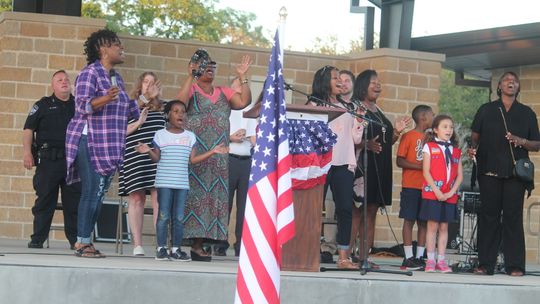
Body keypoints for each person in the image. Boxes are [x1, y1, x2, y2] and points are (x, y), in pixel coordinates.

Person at [65, 29, 157, 258]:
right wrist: (106, 97)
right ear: (103, 49)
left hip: (109, 144)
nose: (121, 47)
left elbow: (129, 109)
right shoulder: (89, 73)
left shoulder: (115, 76)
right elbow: (81, 107)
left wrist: (146, 98)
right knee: (91, 193)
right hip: (90, 139)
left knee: (98, 195)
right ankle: (82, 242)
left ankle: (85, 241)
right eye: (116, 44)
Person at [176, 49, 252, 261]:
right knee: (193, 198)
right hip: (196, 153)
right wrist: (190, 76)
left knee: (211, 199)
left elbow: (244, 101)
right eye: (204, 65)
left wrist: (243, 76)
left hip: (218, 158)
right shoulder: (191, 88)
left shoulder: (224, 91)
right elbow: (180, 105)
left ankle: (201, 244)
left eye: (211, 65)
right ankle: (185, 243)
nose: (209, 68)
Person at [135, 100, 228, 261]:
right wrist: (148, 151)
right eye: (176, 111)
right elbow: (156, 158)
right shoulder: (160, 135)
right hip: (164, 183)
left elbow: (193, 160)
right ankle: (161, 248)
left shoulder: (190, 136)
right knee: (164, 215)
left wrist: (212, 151)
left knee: (178, 217)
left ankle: (176, 249)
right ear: (168, 115)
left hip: (181, 184)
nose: (180, 114)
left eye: (183, 111)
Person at [469, 71, 540, 276]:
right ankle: (485, 264)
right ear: (499, 86)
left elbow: (536, 143)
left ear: (518, 88)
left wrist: (522, 141)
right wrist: (473, 148)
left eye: (515, 80)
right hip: (488, 170)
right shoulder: (486, 110)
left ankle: (515, 265)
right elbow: (475, 136)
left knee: (512, 218)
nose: (512, 82)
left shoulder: (526, 113)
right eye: (507, 80)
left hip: (515, 174)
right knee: (489, 217)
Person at [353, 69, 411, 267]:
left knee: (371, 210)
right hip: (363, 167)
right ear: (362, 85)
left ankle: (365, 257)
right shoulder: (356, 108)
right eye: (373, 82)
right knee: (359, 212)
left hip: (381, 167)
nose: (378, 86)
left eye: (379, 83)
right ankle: (350, 255)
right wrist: (365, 144)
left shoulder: (378, 111)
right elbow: (349, 138)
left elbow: (387, 143)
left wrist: (396, 132)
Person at [310, 65, 365, 269]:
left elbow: (355, 138)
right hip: (320, 164)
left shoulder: (347, 106)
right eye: (335, 78)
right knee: (315, 208)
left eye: (341, 79)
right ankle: (310, 251)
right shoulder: (314, 103)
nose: (340, 82)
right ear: (325, 81)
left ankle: (343, 257)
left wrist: (358, 121)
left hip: (343, 163)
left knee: (344, 209)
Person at [23, 70, 81, 250]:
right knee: (44, 201)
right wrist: (27, 153)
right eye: (59, 80)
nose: (64, 82)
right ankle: (38, 239)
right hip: (48, 161)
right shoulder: (42, 105)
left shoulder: (78, 105)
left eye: (66, 79)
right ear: (53, 85)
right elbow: (28, 130)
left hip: (73, 160)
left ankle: (75, 241)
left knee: (73, 203)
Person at [118, 71, 164, 256]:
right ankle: (137, 244)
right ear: (140, 84)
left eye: (152, 83)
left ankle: (160, 243)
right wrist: (139, 122)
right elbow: (120, 131)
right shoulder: (129, 106)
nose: (149, 85)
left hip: (155, 156)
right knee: (137, 198)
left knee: (158, 197)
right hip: (134, 155)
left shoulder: (163, 107)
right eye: (146, 82)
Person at [214, 78, 257, 257]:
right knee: (225, 204)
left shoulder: (250, 110)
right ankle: (220, 242)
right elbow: (215, 133)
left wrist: (248, 137)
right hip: (228, 158)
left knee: (244, 205)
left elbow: (254, 136)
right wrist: (231, 137)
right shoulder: (225, 109)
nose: (240, 89)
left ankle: (241, 243)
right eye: (238, 85)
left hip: (246, 160)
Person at [420, 114, 463, 273]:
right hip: (433, 192)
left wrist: (452, 191)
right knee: (432, 226)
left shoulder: (456, 151)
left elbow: (459, 176)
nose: (449, 130)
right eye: (445, 127)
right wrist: (437, 191)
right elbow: (426, 172)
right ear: (436, 130)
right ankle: (430, 260)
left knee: (444, 227)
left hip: (449, 194)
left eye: (451, 127)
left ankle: (441, 260)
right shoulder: (429, 147)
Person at [396, 105, 434, 270]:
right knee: (409, 219)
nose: (434, 118)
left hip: (426, 187)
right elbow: (399, 161)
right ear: (423, 117)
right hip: (411, 185)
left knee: (423, 222)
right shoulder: (409, 136)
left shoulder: (431, 139)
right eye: (432, 115)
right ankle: (408, 256)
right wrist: (420, 167)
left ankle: (419, 256)